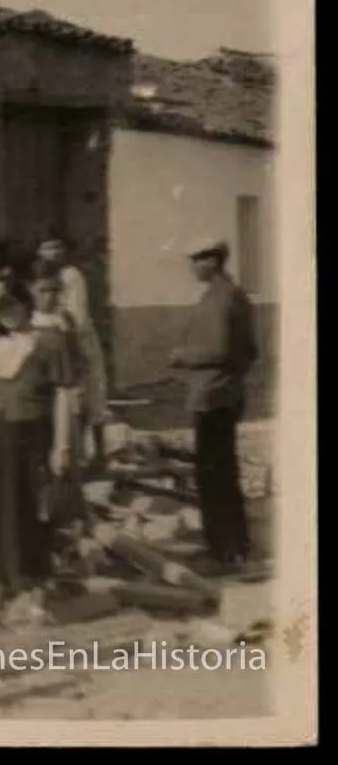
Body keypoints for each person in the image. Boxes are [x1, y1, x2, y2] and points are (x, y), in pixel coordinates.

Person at [0, 280, 77, 607]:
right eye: (0, 310)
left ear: (26, 305)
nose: (8, 314)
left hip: (32, 435)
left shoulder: (50, 342)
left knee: (29, 508)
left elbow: (63, 393)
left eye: (12, 306)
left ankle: (30, 582)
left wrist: (62, 446)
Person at [167, 237, 258, 569]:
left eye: (195, 260)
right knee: (223, 472)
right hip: (226, 393)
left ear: (211, 261)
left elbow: (218, 350)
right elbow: (250, 351)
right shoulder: (234, 295)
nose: (191, 267)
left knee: (212, 475)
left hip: (212, 396)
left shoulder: (220, 298)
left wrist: (183, 357)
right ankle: (235, 545)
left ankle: (223, 550)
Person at [36, 236, 110, 466]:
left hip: (77, 338)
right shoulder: (37, 275)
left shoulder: (71, 275)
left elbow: (78, 316)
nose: (53, 252)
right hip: (52, 337)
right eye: (48, 247)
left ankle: (98, 452)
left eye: (58, 247)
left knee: (92, 395)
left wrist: (64, 333)